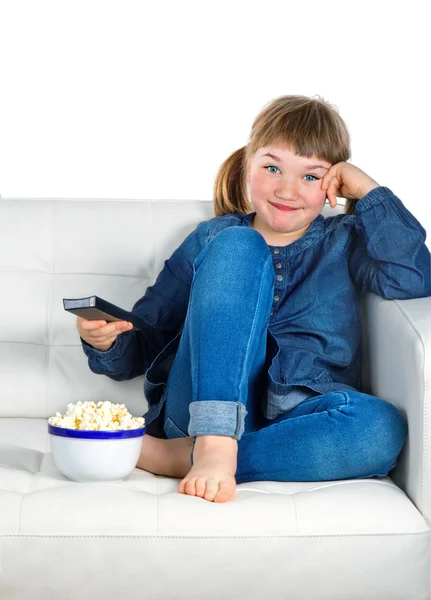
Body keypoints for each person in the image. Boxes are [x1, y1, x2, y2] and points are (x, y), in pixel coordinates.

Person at [77, 94, 430, 504]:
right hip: (194, 412)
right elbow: (147, 343)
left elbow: (414, 277)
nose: (287, 189)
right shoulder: (214, 240)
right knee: (239, 245)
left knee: (380, 429)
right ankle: (210, 442)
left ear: (334, 185)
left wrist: (367, 191)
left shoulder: (345, 241)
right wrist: (108, 342)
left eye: (311, 177)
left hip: (296, 421)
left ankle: (181, 458)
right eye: (272, 167)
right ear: (248, 166)